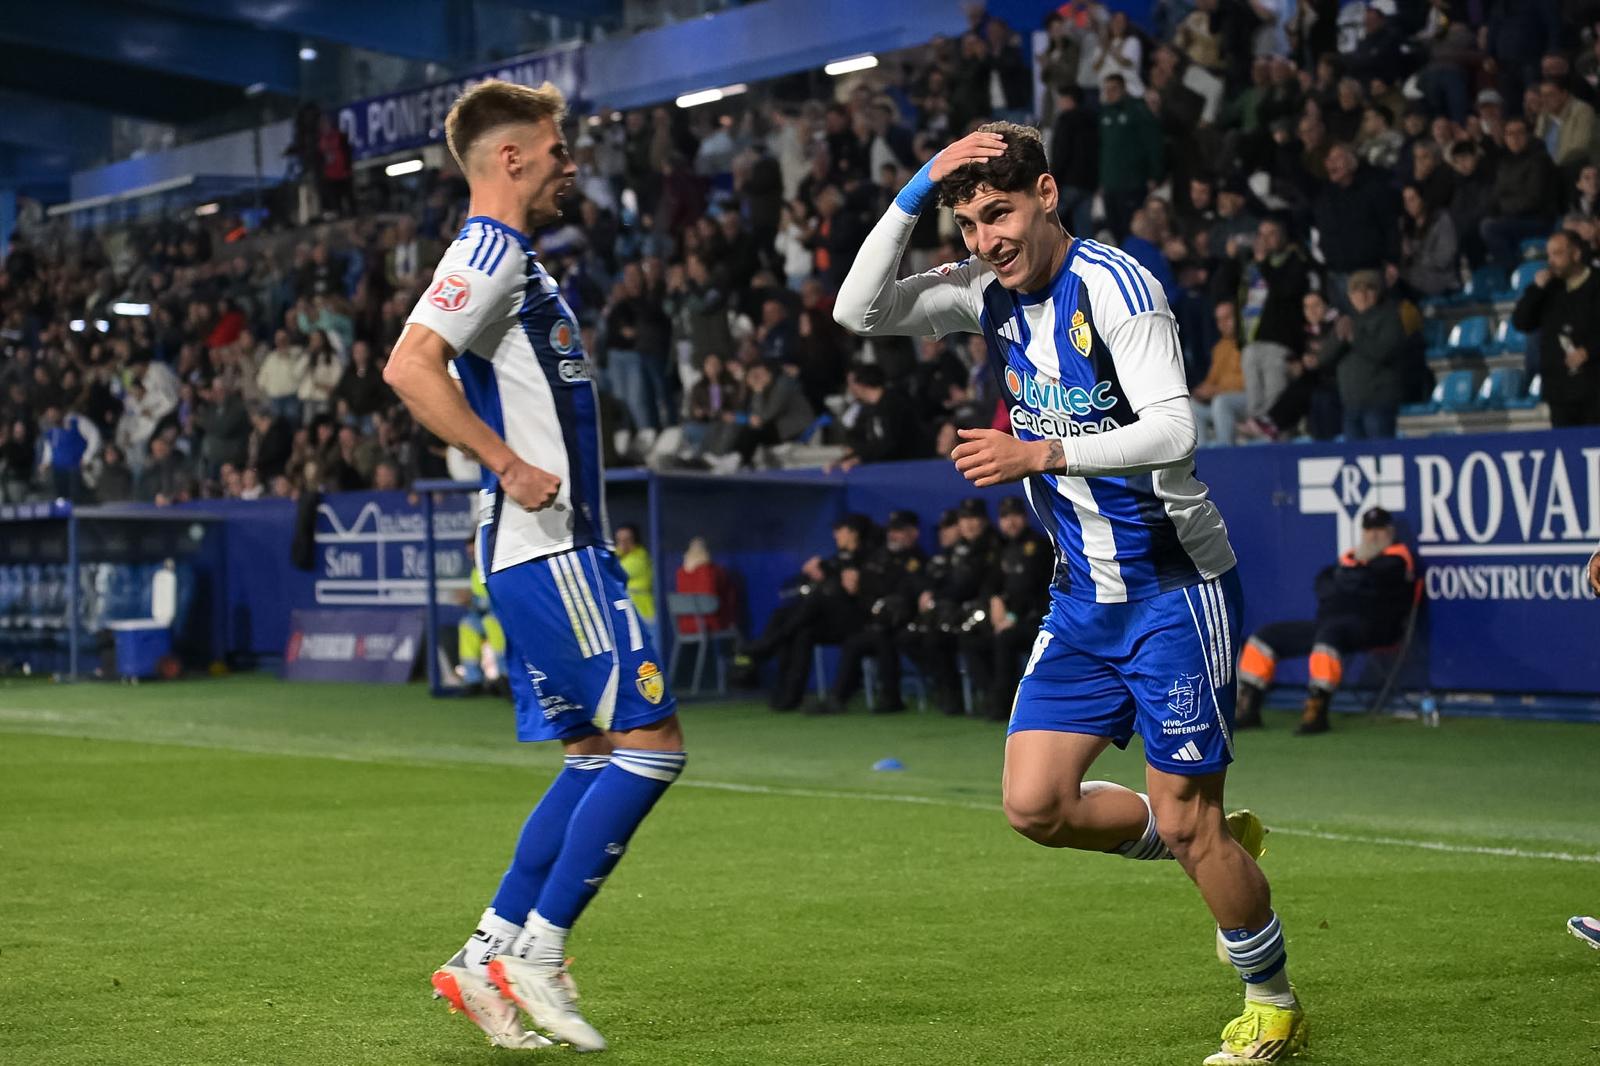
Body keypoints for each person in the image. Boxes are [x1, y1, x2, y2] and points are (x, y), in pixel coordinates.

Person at [834, 123, 1303, 1064]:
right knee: (1036, 805)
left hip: (1175, 591)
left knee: (1187, 816)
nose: (983, 240)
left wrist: (1039, 451)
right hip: (1083, 597)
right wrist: (920, 184)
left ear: (1047, 194)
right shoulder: (983, 291)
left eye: (998, 213)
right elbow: (859, 311)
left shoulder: (1120, 289)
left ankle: (1272, 1000)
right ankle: (1198, 842)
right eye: (967, 221)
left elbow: (1174, 432)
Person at [382, 79, 685, 1054]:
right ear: (509, 158)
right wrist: (504, 459)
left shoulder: (511, 258)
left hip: (536, 550)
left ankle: (485, 954)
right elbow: (409, 364)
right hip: (550, 548)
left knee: (591, 757)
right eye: (556, 149)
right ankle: (539, 952)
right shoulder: (491, 249)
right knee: (653, 743)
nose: (568, 163)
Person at [1236, 507, 1415, 735]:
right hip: (1331, 626)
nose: (1373, 535)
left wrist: (1347, 581)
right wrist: (1353, 580)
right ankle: (1248, 706)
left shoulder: (1397, 559)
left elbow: (1361, 585)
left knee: (1328, 637)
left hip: (1375, 629)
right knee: (1267, 636)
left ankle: (1317, 709)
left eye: (1379, 529)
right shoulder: (1351, 559)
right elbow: (1323, 584)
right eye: (1368, 529)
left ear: (1390, 531)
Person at [965, 496, 1054, 721]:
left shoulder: (1040, 546)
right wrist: (995, 600)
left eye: (1014, 516)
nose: (1010, 522)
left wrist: (1012, 616)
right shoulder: (1001, 547)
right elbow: (988, 583)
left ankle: (1004, 705)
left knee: (1005, 638)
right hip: (1006, 620)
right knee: (970, 641)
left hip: (1037, 620)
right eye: (1005, 517)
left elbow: (1035, 590)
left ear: (1024, 517)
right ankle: (992, 696)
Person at [1511, 230, 1600, 428]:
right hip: (1559, 391)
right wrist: (1536, 290)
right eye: (1549, 255)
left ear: (1575, 254)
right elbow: (1521, 322)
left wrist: (1589, 351)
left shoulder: (1595, 284)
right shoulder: (1549, 289)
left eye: (1558, 254)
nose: (1551, 261)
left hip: (1593, 387)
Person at [1319, 272, 1407, 440]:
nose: (1362, 295)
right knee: (1355, 459)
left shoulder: (1389, 317)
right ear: (1350, 295)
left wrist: (1354, 336)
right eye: (1357, 291)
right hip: (1350, 405)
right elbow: (1323, 358)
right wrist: (1339, 337)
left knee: (1382, 455)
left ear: (1377, 292)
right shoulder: (1346, 321)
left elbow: (1383, 352)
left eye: (1369, 289)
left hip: (1379, 403)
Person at [1192, 302, 1249, 446]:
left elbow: (1249, 381)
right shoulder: (1220, 348)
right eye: (1219, 320)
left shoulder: (1249, 343)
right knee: (1191, 405)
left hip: (1248, 400)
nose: (1223, 324)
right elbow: (1212, 379)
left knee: (1221, 402)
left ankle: (1225, 453)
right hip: (1223, 399)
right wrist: (1203, 390)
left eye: (1227, 318)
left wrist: (1217, 390)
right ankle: (1202, 456)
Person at [613, 523, 656, 624]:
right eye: (620, 540)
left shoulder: (639, 558)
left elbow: (614, 572)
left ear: (634, 540)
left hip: (643, 612)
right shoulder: (622, 556)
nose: (623, 543)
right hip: (629, 612)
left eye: (627, 539)